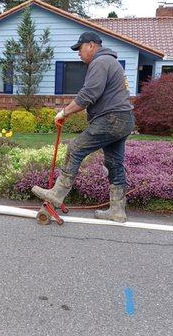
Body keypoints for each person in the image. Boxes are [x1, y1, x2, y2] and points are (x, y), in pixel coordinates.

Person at [32, 31, 135, 223]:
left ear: (91, 45)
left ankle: (57, 193)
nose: (79, 54)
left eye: (79, 49)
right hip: (124, 119)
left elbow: (88, 94)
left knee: (75, 148)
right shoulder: (111, 62)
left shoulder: (101, 62)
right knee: (114, 163)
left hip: (110, 119)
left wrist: (64, 112)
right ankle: (117, 210)